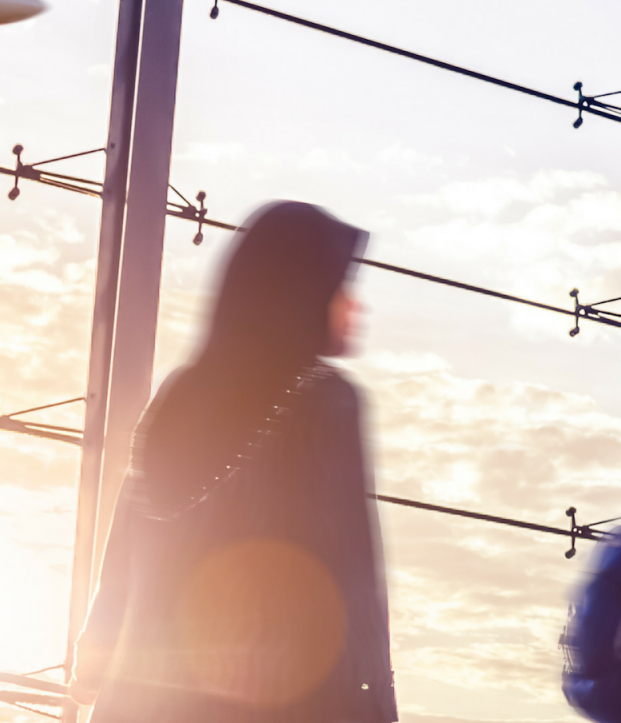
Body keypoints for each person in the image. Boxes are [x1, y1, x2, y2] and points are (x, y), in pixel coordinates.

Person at [71, 202, 397, 723]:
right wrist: (375, 707)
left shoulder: (180, 395)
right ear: (300, 292)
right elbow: (352, 581)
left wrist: (94, 663)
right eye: (340, 286)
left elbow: (127, 549)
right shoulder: (324, 402)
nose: (355, 306)